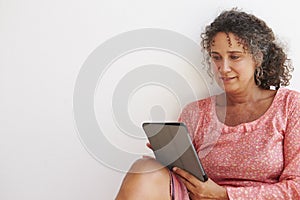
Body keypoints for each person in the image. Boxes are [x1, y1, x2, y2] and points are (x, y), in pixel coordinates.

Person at [115, 8, 300, 199]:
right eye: (216, 57)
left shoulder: (290, 106)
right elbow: (186, 179)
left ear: (258, 58)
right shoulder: (196, 112)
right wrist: (171, 160)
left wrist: (225, 195)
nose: (223, 68)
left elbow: (297, 188)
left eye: (234, 57)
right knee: (145, 169)